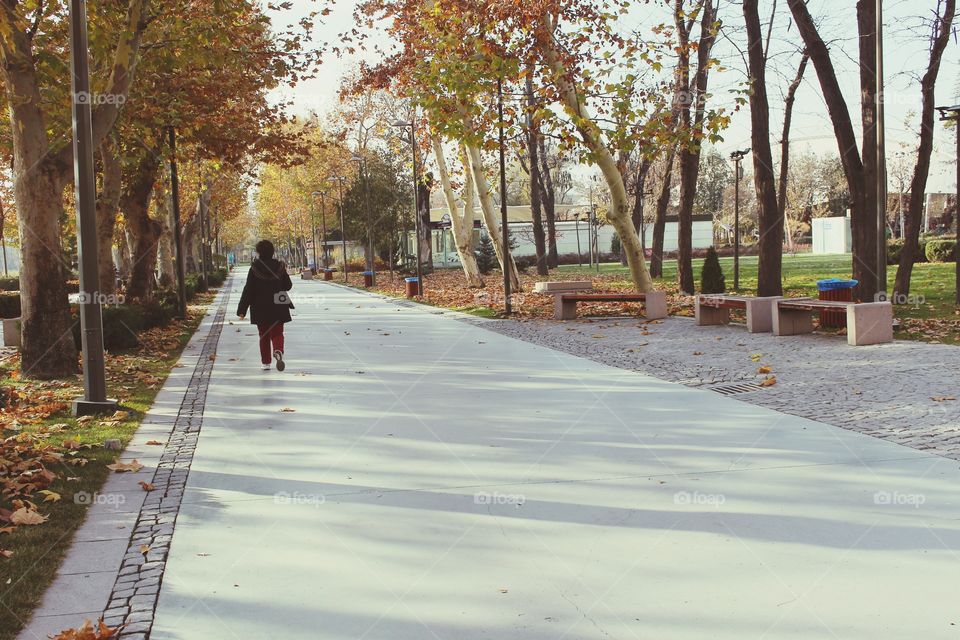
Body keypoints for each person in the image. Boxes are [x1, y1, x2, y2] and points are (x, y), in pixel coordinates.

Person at [237, 240, 294, 371]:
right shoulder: (280, 267)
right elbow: (288, 286)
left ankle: (266, 363)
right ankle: (278, 350)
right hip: (278, 304)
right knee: (278, 332)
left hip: (259, 306)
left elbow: (248, 290)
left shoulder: (254, 269)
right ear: (272, 252)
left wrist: (242, 309)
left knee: (263, 334)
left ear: (258, 253)